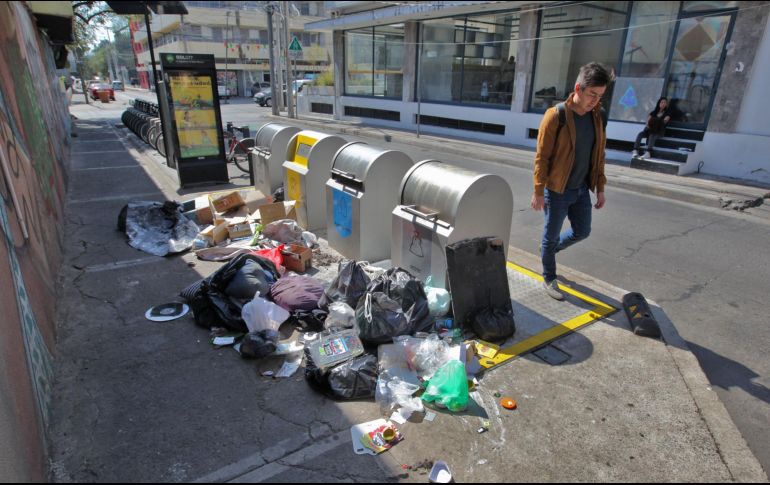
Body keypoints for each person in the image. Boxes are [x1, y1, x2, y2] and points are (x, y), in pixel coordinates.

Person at [531, 62, 613, 300]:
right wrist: (538, 191)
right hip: (557, 189)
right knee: (550, 235)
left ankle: (548, 251)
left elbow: (599, 155)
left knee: (582, 231)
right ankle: (549, 277)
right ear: (578, 88)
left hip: (581, 189)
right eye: (592, 95)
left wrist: (600, 188)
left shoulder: (598, 116)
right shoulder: (556, 115)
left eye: (600, 96)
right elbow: (542, 157)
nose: (595, 101)